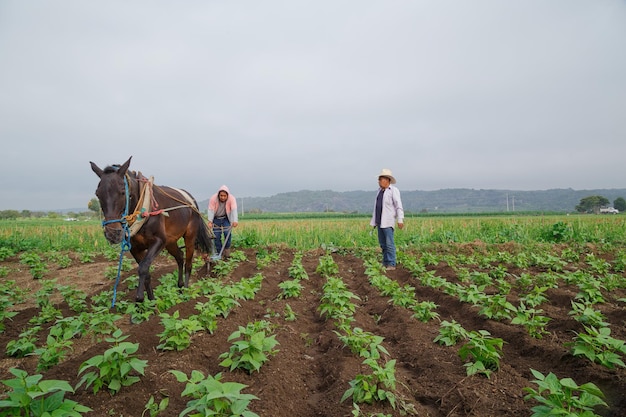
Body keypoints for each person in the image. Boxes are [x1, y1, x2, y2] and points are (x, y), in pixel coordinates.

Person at [370, 168, 404, 270]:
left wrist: (400, 219)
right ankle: (385, 262)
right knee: (383, 244)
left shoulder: (393, 191)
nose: (379, 181)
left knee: (389, 244)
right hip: (380, 221)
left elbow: (398, 205)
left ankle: (391, 263)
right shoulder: (379, 191)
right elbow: (377, 207)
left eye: (381, 179)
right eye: (379, 179)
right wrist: (374, 221)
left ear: (387, 180)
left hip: (388, 221)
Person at [207, 185, 238, 259]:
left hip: (226, 218)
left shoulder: (232, 199)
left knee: (227, 233)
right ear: (218, 195)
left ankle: (226, 250)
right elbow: (210, 210)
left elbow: (234, 210)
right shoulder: (213, 199)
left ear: (227, 195)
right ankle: (219, 253)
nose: (223, 197)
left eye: (224, 196)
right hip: (216, 218)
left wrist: (235, 220)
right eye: (221, 195)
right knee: (216, 236)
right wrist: (210, 221)